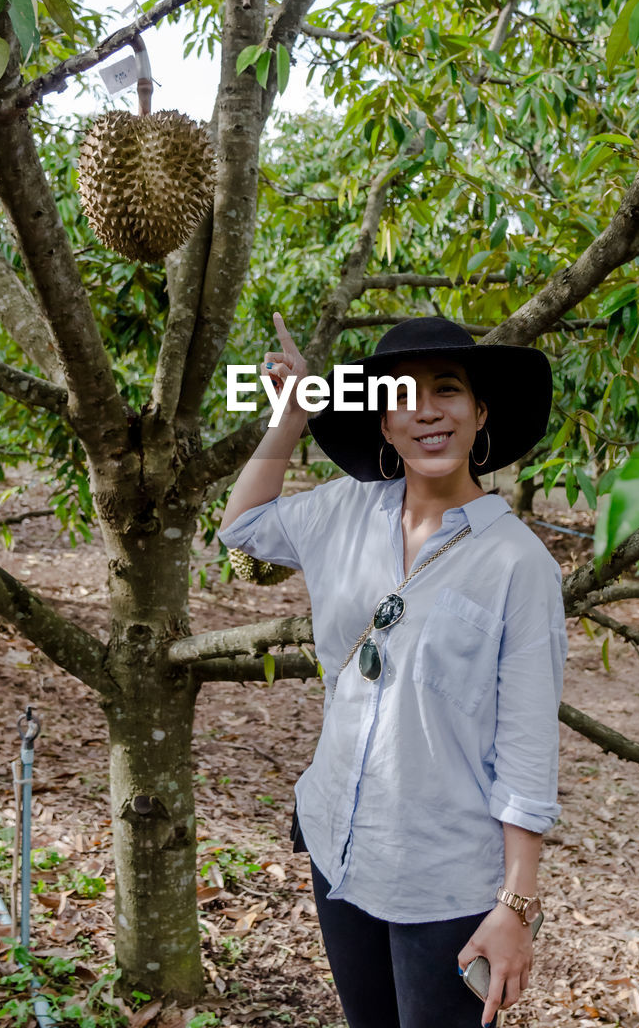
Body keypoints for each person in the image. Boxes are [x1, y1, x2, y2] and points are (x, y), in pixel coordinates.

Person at [218, 312, 568, 1028]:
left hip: (445, 879)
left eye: (447, 390)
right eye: (402, 397)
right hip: (338, 846)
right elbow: (242, 532)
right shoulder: (344, 511)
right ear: (382, 423)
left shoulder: (518, 565)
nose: (426, 412)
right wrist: (289, 422)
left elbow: (529, 753)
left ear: (480, 414)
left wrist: (516, 906)